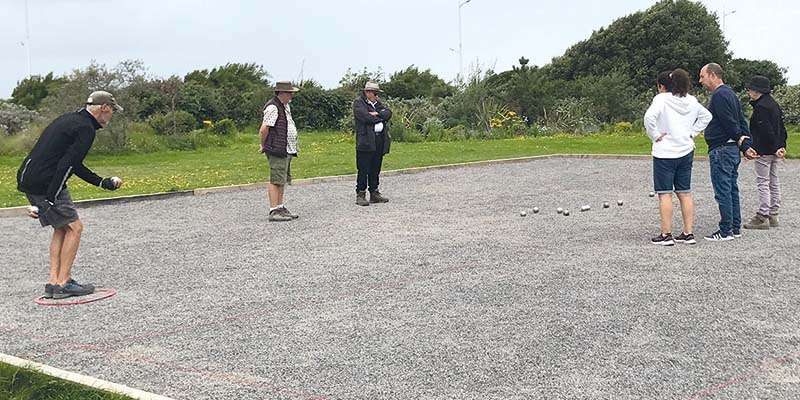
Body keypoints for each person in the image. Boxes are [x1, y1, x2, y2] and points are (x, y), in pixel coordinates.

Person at [16, 91, 124, 299]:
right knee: (75, 228)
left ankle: (53, 282)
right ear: (105, 108)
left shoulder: (70, 119)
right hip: (47, 182)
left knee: (62, 227)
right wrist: (51, 196)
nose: (111, 116)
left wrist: (101, 182)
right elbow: (67, 165)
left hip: (29, 177)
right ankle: (64, 282)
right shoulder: (86, 129)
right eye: (112, 111)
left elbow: (72, 163)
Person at [644, 69, 712, 246]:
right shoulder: (691, 100)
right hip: (686, 150)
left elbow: (649, 117)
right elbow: (707, 116)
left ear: (665, 85)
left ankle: (666, 234)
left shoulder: (662, 99)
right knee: (684, 192)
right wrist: (693, 132)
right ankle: (688, 233)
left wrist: (655, 135)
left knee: (665, 193)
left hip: (665, 152)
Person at [698, 63, 758, 241]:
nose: (701, 81)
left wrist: (743, 143)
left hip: (722, 148)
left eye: (702, 76)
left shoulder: (719, 95)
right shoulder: (730, 93)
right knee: (731, 188)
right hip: (731, 149)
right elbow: (741, 120)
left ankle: (725, 231)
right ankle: (735, 227)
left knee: (723, 190)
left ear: (713, 75)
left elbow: (730, 123)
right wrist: (747, 142)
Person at [742, 75, 788, 230]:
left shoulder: (760, 107)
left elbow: (765, 131)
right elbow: (781, 128)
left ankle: (763, 216)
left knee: (763, 182)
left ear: (757, 91)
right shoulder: (774, 104)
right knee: (774, 180)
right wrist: (781, 146)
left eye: (750, 89)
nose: (749, 92)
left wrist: (772, 147)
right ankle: (774, 213)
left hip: (764, 150)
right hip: (775, 149)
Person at [259, 81, 300, 222]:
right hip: (277, 148)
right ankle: (273, 210)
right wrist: (263, 145)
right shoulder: (273, 107)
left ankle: (280, 207)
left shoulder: (284, 106)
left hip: (286, 148)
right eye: (290, 93)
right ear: (282, 93)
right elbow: (264, 129)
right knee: (275, 179)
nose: (292, 95)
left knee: (281, 179)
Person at [353, 81, 392, 206]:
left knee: (376, 167)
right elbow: (365, 117)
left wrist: (378, 114)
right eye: (369, 92)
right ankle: (361, 193)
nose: (372, 94)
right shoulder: (359, 103)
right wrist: (379, 116)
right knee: (363, 168)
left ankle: (374, 192)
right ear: (366, 92)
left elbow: (388, 113)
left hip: (379, 140)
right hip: (365, 141)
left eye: (374, 92)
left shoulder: (378, 104)